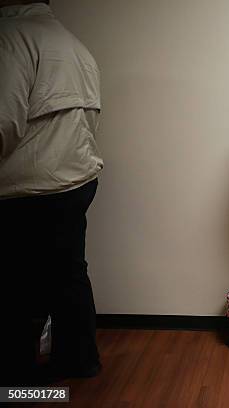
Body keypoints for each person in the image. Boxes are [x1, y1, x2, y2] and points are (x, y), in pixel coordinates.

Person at [0, 0, 103, 385]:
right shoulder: (74, 45)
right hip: (75, 180)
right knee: (69, 275)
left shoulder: (12, 38)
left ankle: (16, 383)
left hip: (27, 187)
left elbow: (4, 122)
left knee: (17, 288)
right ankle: (80, 362)